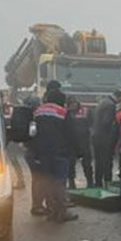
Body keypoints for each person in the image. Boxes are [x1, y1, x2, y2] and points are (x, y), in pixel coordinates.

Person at [29, 90, 77, 223]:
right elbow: (71, 133)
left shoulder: (38, 112)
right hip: (59, 152)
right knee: (60, 182)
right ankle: (62, 212)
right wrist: (76, 151)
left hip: (42, 153)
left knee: (48, 181)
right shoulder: (63, 112)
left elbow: (32, 132)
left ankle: (51, 211)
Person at [91, 89, 121, 188]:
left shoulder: (103, 102)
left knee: (98, 161)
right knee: (107, 161)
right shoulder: (111, 105)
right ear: (119, 97)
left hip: (96, 136)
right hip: (105, 138)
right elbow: (107, 122)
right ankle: (107, 182)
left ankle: (98, 182)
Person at [65, 96, 94, 188]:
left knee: (87, 165)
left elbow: (92, 124)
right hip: (71, 143)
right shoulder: (66, 112)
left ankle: (90, 182)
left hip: (83, 142)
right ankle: (71, 183)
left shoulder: (86, 111)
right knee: (70, 165)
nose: (73, 106)